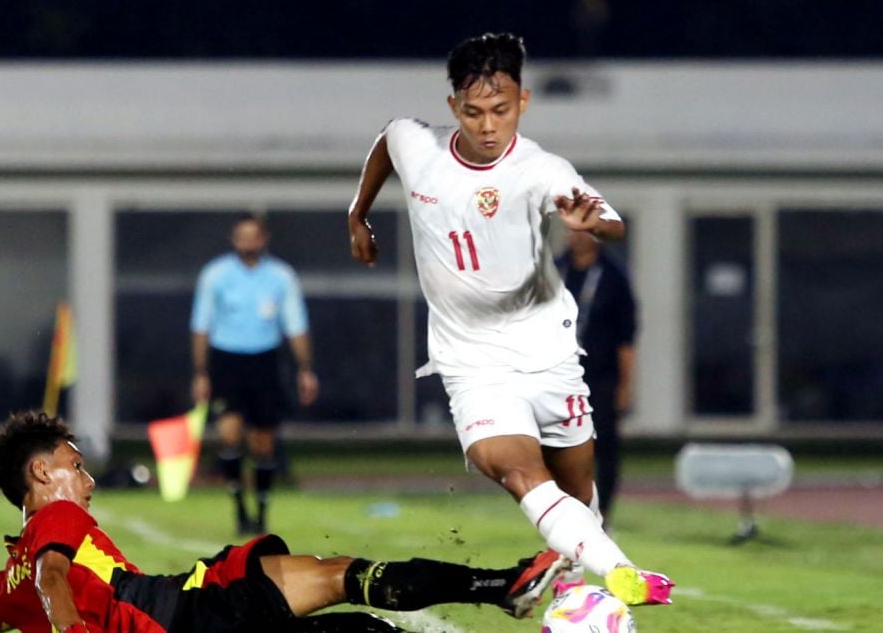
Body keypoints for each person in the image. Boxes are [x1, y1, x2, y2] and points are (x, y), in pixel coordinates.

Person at [346, 32, 671, 607]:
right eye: (473, 112)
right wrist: (358, 214)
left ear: (522, 101)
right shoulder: (417, 146)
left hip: (549, 356)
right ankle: (625, 574)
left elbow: (612, 220)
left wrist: (591, 223)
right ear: (453, 109)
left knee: (580, 497)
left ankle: (578, 586)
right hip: (471, 363)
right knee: (520, 471)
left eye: (500, 110)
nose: (488, 125)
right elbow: (386, 141)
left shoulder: (541, 168)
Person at [0, 411, 569, 633]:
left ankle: (502, 589)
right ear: (42, 477)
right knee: (342, 574)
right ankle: (500, 587)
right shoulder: (55, 522)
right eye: (76, 465)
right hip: (187, 610)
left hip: (185, 608)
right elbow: (54, 574)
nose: (88, 483)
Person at [190, 214, 319, 535]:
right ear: (234, 240)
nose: (248, 242)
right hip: (227, 361)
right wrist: (201, 373)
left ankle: (261, 511)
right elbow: (201, 325)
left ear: (264, 239)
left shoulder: (280, 276)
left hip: (265, 361)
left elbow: (296, 325)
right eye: (241, 236)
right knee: (229, 437)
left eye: (253, 236)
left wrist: (305, 369)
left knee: (263, 442)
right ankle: (238, 509)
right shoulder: (216, 275)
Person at [557, 229, 637, 527]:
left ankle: (603, 513)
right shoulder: (555, 271)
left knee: (603, 446)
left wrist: (625, 386)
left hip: (601, 377)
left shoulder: (614, 277)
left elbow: (626, 338)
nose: (577, 236)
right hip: (560, 376)